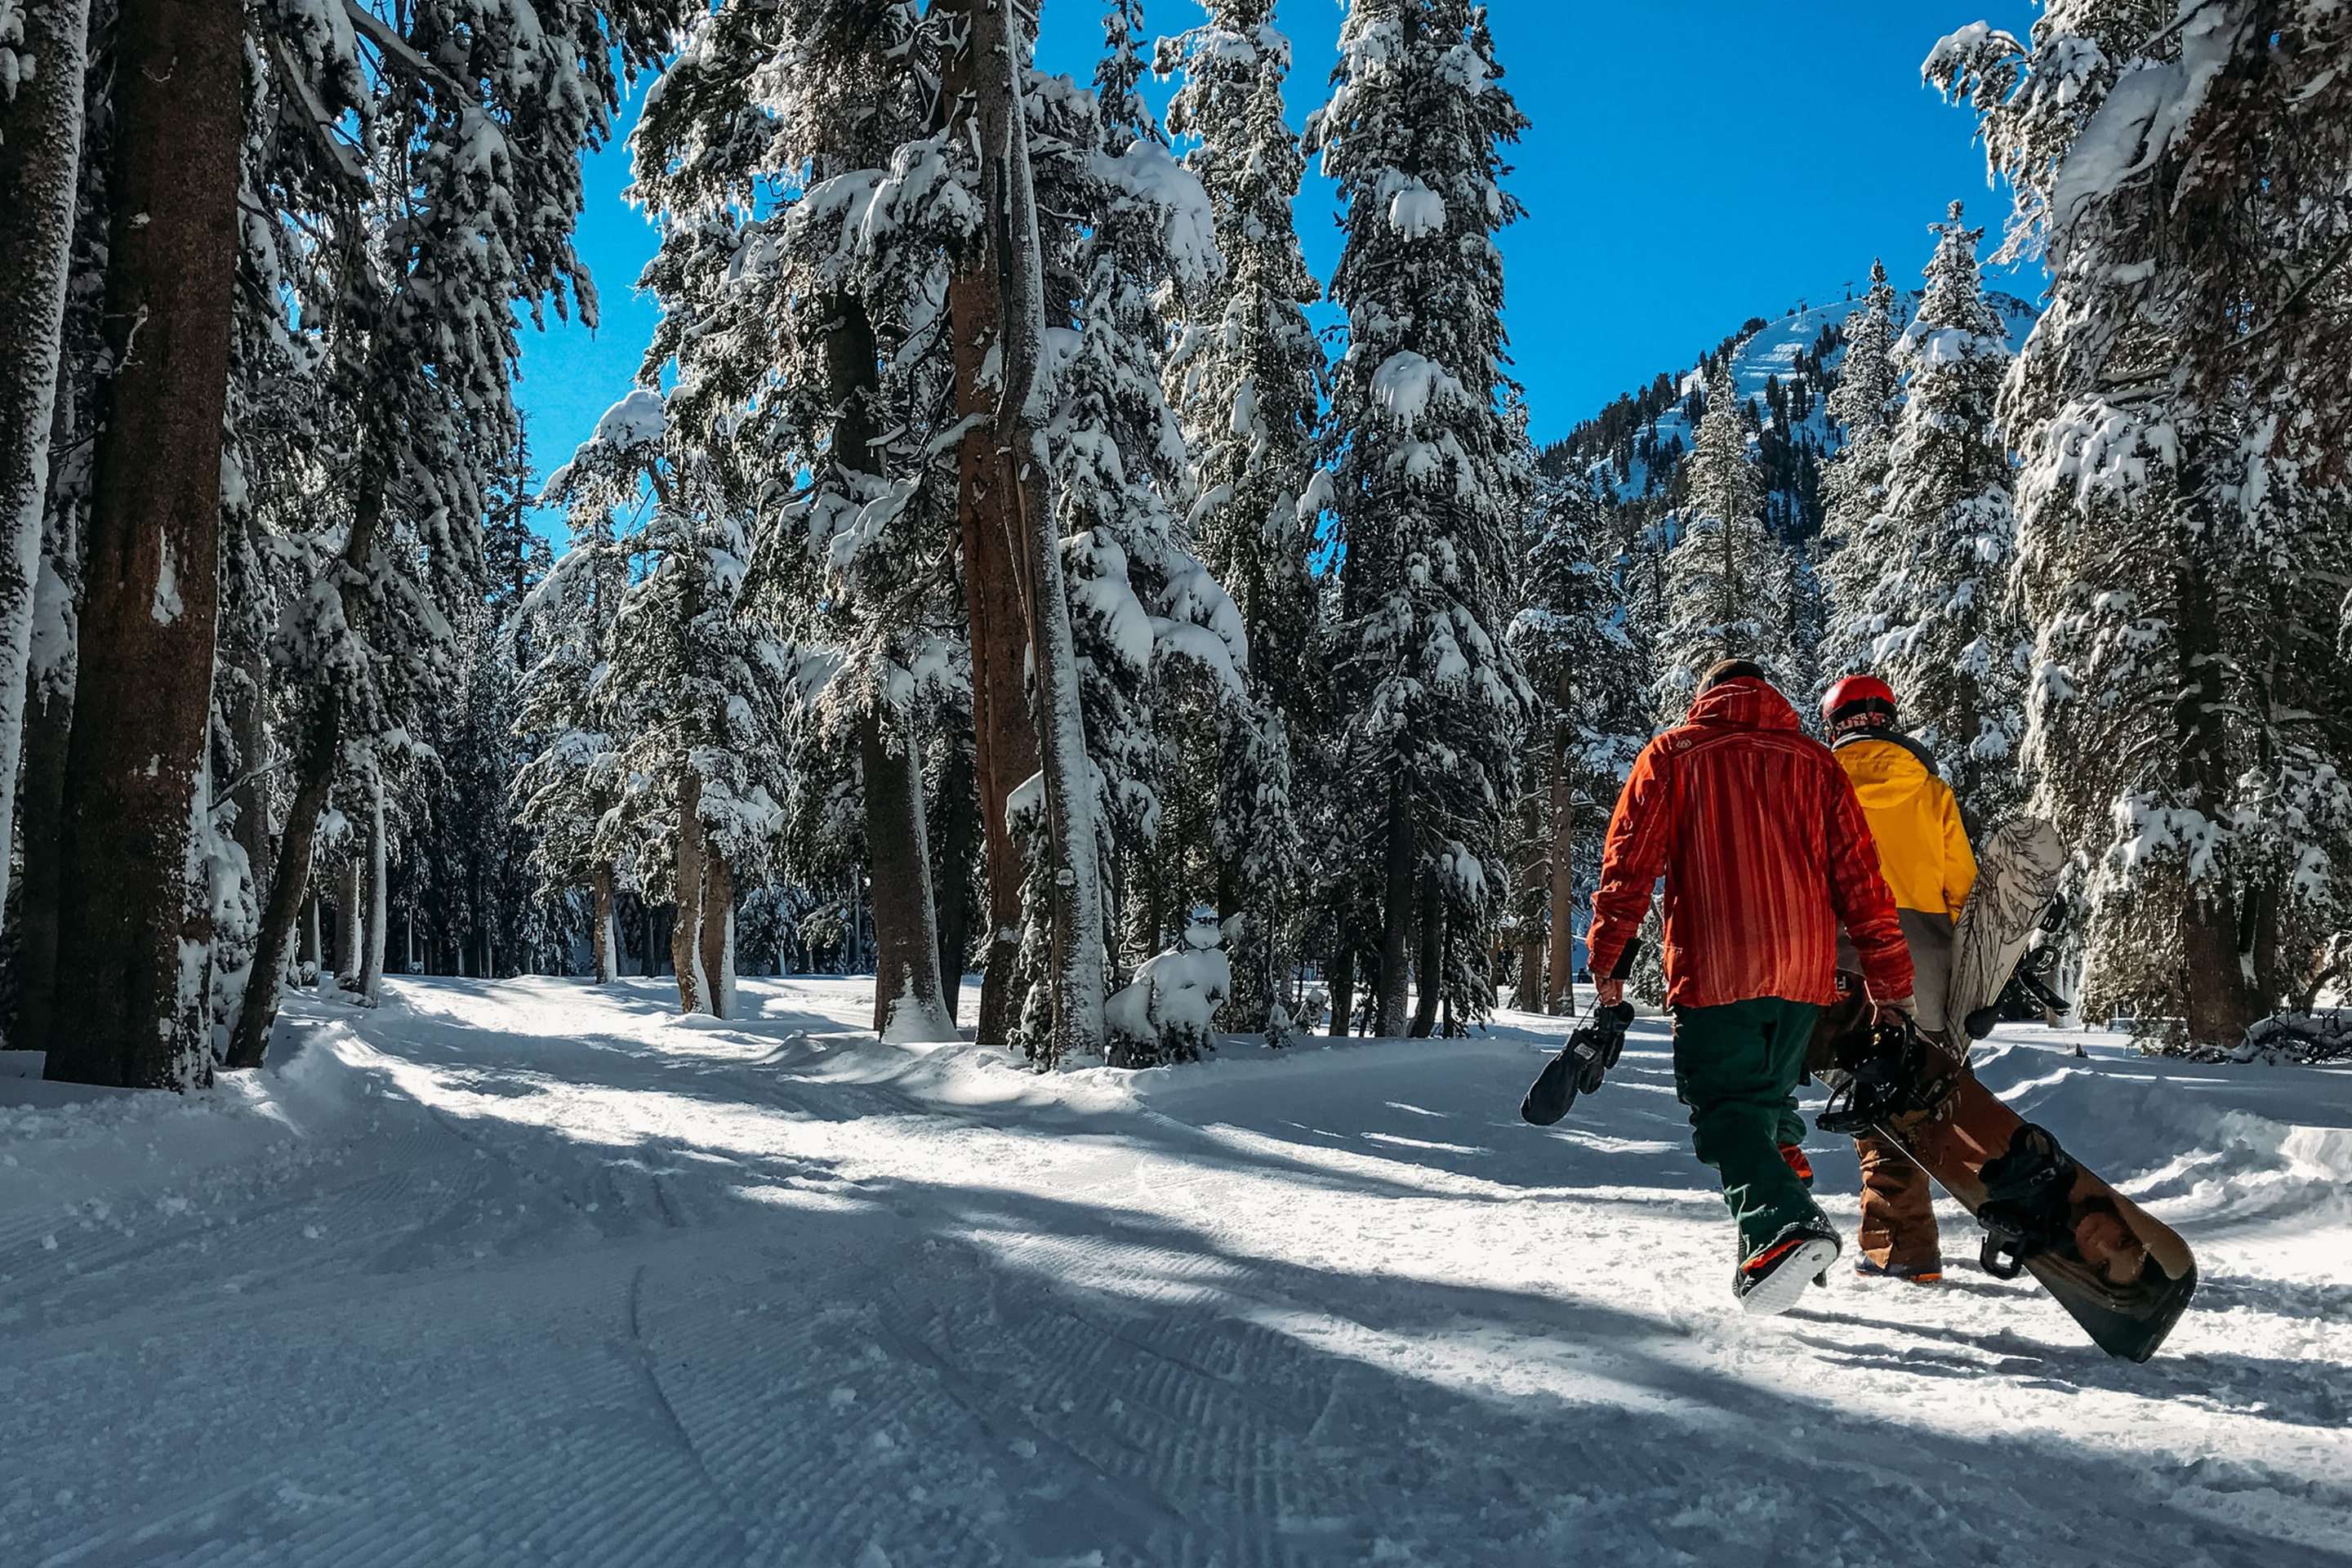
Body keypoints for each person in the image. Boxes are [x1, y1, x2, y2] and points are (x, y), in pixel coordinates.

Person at [1588, 659, 1916, 1315]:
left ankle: (1782, 1229)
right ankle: (1777, 1222)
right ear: (1769, 697)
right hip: (1804, 976)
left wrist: (1609, 959)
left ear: (1707, 698)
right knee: (1763, 1104)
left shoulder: (1675, 753)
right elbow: (1862, 880)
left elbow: (1630, 864)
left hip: (1716, 968)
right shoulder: (1818, 764)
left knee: (1724, 1113)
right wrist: (1891, 981)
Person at [1815, 674, 1977, 1285]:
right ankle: (1919, 1231)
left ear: (1833, 725)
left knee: (1875, 1101)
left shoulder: (1819, 785)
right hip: (1929, 965)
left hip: (1848, 961)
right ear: (1888, 719)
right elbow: (1963, 891)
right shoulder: (1931, 791)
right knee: (1915, 1094)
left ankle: (1903, 1249)